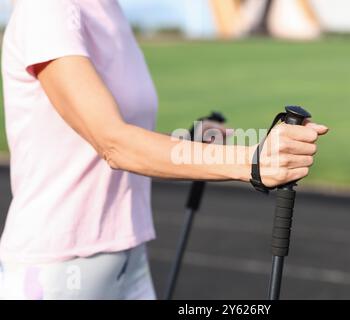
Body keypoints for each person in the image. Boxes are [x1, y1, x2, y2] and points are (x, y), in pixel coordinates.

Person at [0, 0, 328, 299]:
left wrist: (189, 146)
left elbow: (120, 134)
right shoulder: (45, 9)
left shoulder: (109, 10)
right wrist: (254, 162)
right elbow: (113, 143)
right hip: (57, 271)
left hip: (129, 258)